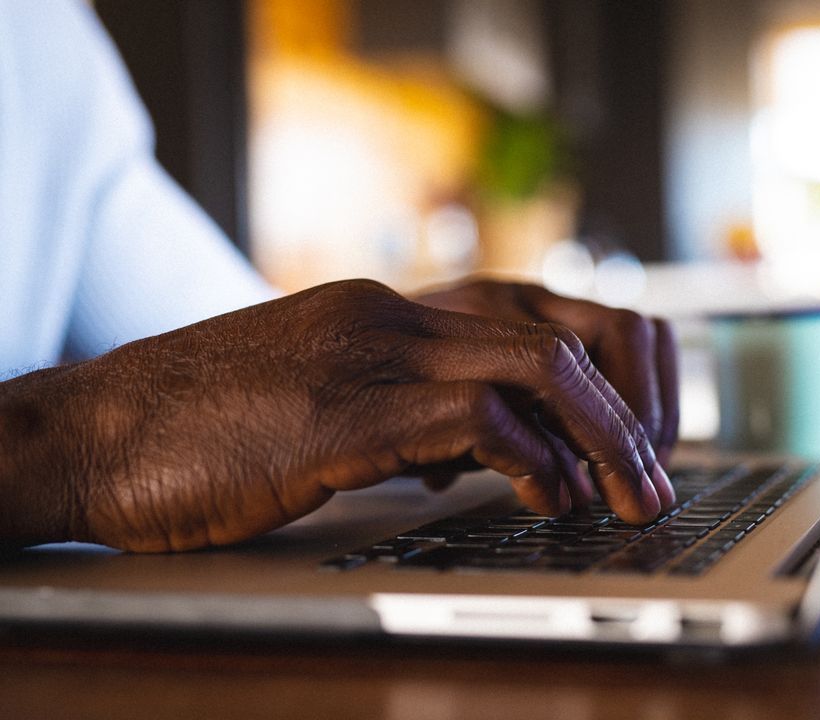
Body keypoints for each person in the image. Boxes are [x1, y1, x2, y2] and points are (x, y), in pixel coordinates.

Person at [0, 1, 679, 552]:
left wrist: (414, 348)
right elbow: (126, 417)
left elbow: (218, 361)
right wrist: (66, 445)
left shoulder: (45, 26)